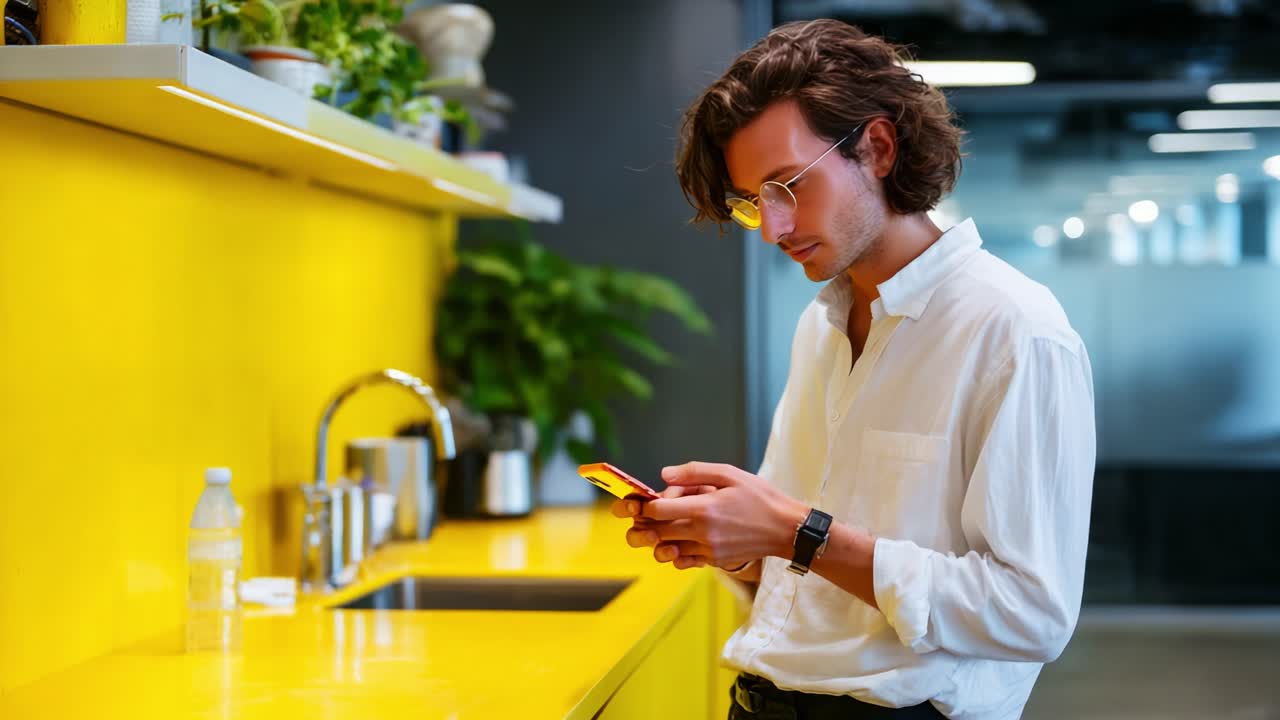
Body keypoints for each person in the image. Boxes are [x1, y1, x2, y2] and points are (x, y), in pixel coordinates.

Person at [611, 19, 1096, 720]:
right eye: (754, 204)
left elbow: (1032, 615)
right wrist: (738, 544)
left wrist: (796, 532)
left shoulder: (1015, 330)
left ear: (875, 147)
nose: (774, 228)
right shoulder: (823, 323)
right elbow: (810, 570)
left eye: (788, 187)